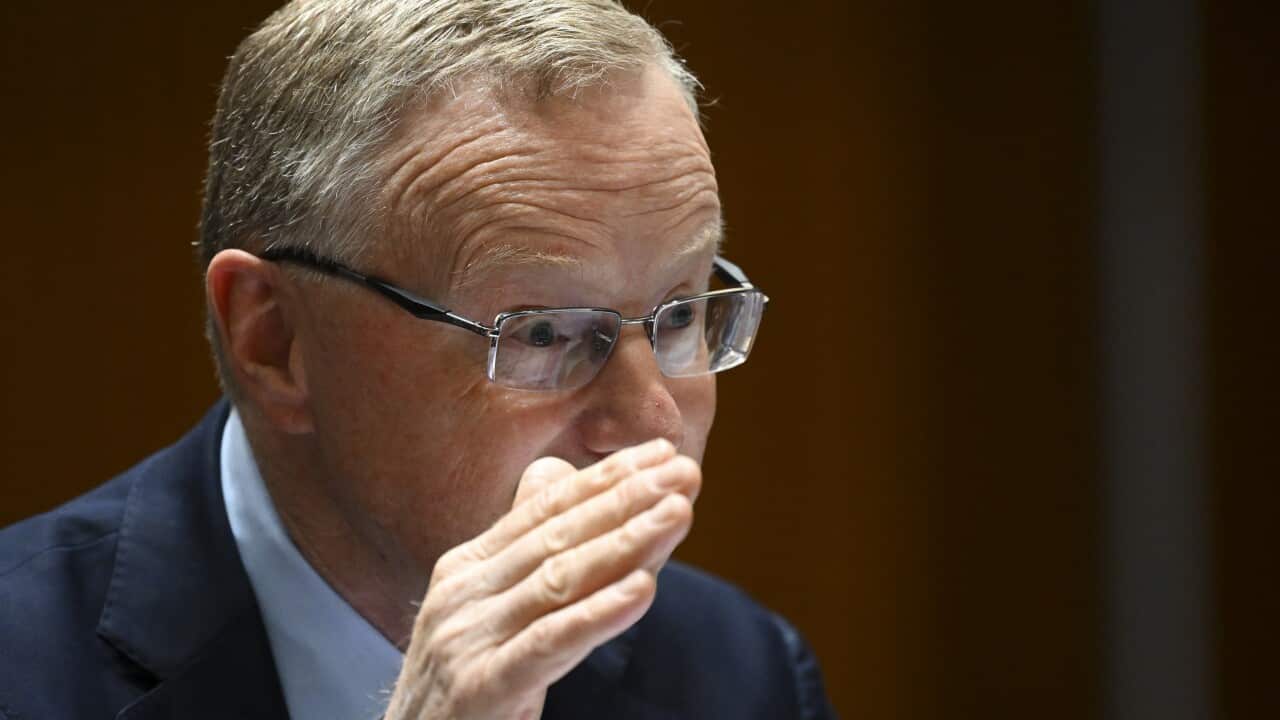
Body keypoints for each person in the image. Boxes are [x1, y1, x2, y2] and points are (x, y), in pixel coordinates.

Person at [0, 1, 835, 718]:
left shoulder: (738, 674)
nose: (651, 426)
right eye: (543, 333)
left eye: (682, 313)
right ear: (274, 339)